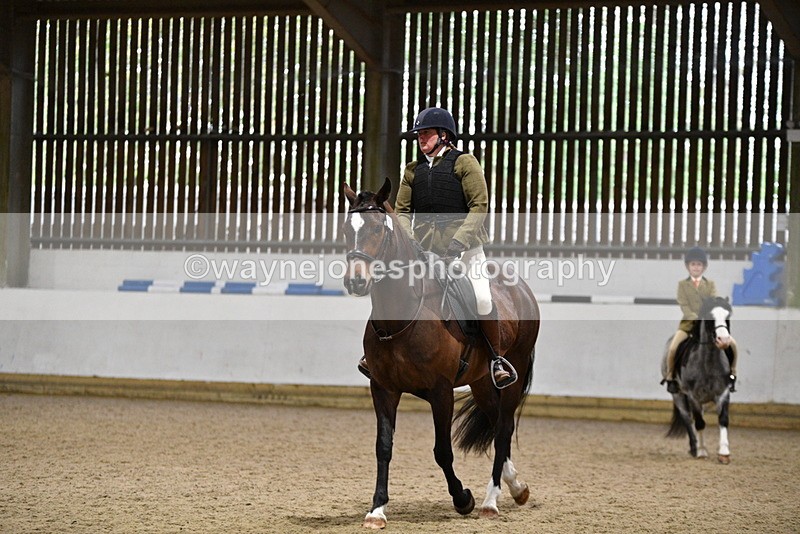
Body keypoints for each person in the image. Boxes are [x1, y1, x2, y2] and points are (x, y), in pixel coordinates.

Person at [358, 106, 516, 389]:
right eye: (419, 134)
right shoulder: (412, 170)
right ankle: (375, 354)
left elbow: (479, 206)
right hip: (424, 253)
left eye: (426, 133)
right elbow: (402, 212)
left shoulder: (465, 163)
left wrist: (459, 242)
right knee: (392, 290)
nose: (421, 138)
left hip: (465, 250)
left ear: (444, 135)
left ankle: (496, 360)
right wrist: (412, 243)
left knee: (481, 298)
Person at [662, 247, 739, 393]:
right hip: (688, 324)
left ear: (704, 267)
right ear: (687, 266)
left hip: (709, 323)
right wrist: (696, 317)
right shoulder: (682, 285)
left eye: (699, 265)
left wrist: (708, 316)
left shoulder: (710, 284)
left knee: (732, 345)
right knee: (672, 348)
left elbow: (714, 301)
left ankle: (732, 374)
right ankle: (671, 377)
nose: (696, 267)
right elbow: (684, 304)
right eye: (693, 264)